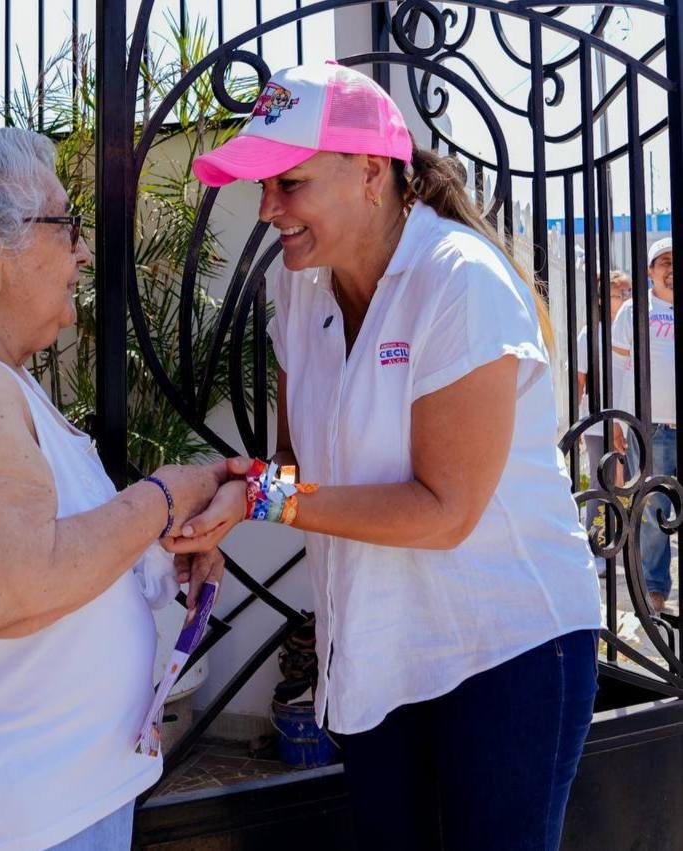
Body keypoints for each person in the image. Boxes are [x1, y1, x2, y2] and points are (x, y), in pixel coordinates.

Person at [170, 62, 602, 850]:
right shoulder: (299, 288)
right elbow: (296, 468)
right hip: (376, 651)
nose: (267, 209)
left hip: (506, 651)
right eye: (263, 185)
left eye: (289, 183)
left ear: (370, 173)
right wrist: (226, 507)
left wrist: (263, 497)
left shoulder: (458, 280)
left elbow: (444, 512)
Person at [0, 119, 226, 851]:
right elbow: (9, 586)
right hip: (0, 817)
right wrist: (162, 497)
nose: (82, 251)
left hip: (30, 803)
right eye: (65, 225)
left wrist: (155, 540)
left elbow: (34, 545)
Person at [612, 237, 675, 613]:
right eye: (664, 261)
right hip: (651, 427)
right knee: (652, 511)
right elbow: (621, 370)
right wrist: (619, 422)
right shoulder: (634, 310)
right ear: (650, 271)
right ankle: (654, 588)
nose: (671, 268)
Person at [576, 270, 631, 576]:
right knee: (600, 485)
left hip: (631, 418)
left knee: (631, 483)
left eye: (627, 293)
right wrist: (578, 423)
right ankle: (596, 546)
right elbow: (579, 381)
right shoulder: (590, 333)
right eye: (616, 294)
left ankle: (626, 545)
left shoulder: (635, 328)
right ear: (600, 299)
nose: (623, 299)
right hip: (598, 421)